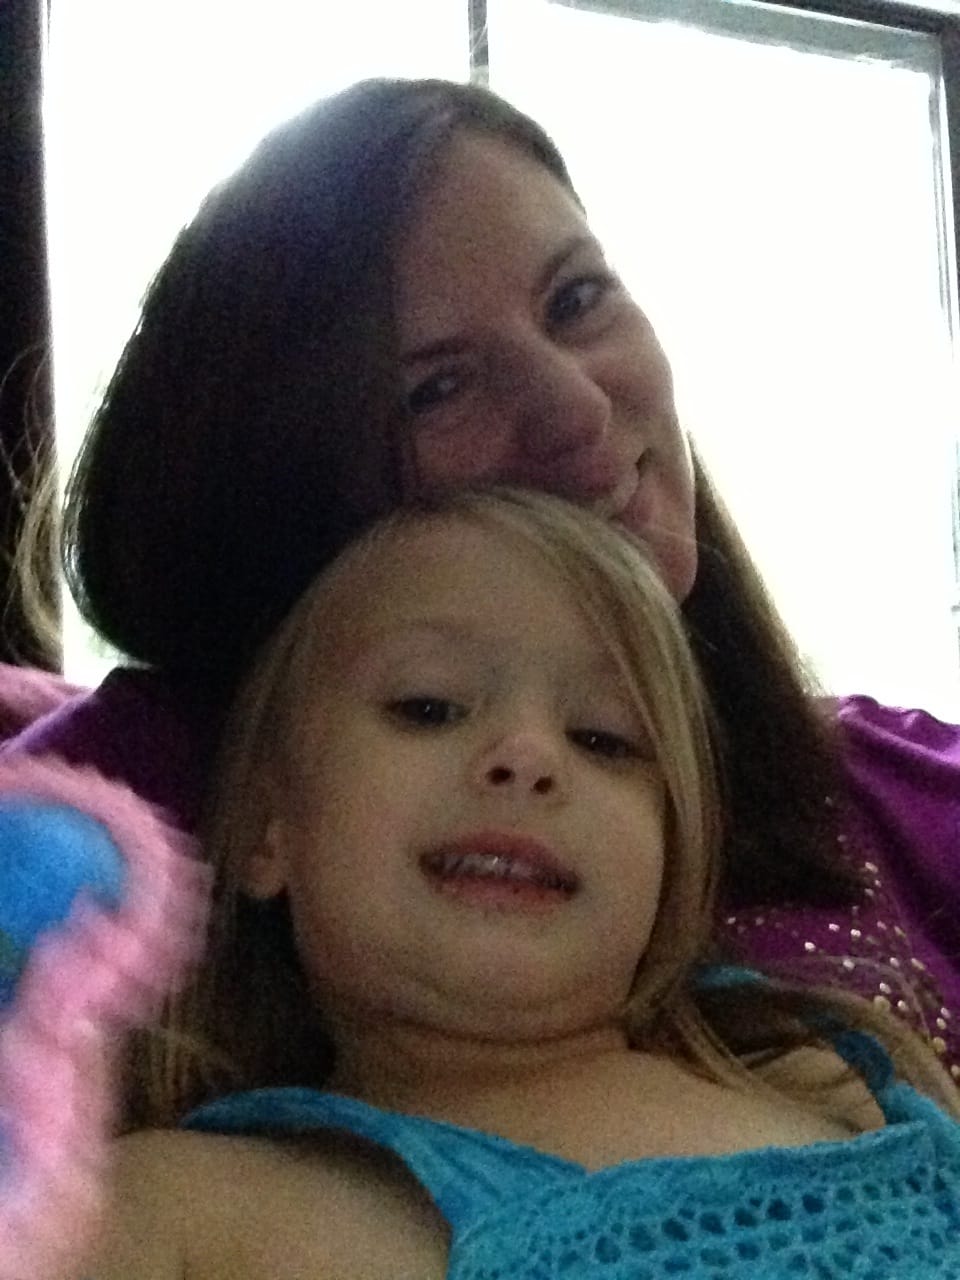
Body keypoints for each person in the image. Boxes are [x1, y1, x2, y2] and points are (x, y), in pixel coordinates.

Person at [12, 78, 960, 1072]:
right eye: (438, 387)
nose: (578, 410)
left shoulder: (898, 793)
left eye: (576, 300)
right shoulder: (111, 811)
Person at [88, 489, 960, 1278]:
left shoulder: (830, 1077)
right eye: (429, 707)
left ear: (675, 858)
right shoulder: (177, 1206)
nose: (530, 757)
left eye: (605, 739)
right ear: (266, 830)